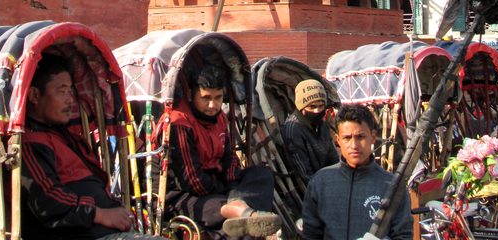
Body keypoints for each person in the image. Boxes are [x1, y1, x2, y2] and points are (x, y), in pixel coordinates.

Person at [21, 53, 159, 240]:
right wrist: (100, 214)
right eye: (62, 91)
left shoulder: (65, 137)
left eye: (71, 91)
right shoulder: (31, 142)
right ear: (35, 95)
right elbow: (48, 201)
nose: (70, 100)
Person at [161, 65, 281, 238]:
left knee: (262, 175)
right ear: (191, 95)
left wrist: (232, 187)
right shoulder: (179, 123)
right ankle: (239, 210)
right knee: (220, 209)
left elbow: (230, 157)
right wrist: (223, 189)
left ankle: (237, 206)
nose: (213, 105)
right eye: (206, 98)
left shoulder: (220, 118)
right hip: (185, 195)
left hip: (218, 184)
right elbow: (192, 180)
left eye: (218, 98)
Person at [302, 105, 412, 240]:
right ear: (338, 140)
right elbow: (310, 235)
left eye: (360, 137)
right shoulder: (320, 183)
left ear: (373, 137)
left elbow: (403, 235)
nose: (354, 145)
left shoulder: (391, 186)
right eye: (347, 138)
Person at [280, 79, 338, 185]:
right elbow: (304, 172)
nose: (317, 111)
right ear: (301, 107)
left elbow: (333, 158)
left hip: (327, 180)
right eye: (312, 107)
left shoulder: (323, 125)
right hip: (309, 187)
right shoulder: (293, 129)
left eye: (321, 106)